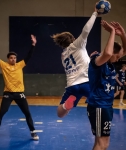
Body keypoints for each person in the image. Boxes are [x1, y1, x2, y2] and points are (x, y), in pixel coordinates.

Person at [51, 4, 99, 118]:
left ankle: (65, 106)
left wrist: (89, 58)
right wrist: (95, 13)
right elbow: (86, 30)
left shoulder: (63, 55)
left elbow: (79, 61)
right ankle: (92, 105)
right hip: (87, 82)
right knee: (100, 102)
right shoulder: (76, 45)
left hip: (72, 85)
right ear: (73, 39)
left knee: (60, 113)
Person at [0, 35, 39, 140]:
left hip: (20, 93)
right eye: (11, 58)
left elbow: (29, 56)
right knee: (2, 112)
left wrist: (33, 45)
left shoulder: (20, 65)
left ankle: (33, 132)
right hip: (8, 94)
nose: (13, 59)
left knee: (27, 113)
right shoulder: (3, 65)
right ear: (8, 59)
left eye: (15, 58)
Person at [87, 20, 126, 150]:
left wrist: (123, 34)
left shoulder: (110, 64)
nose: (119, 59)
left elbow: (123, 51)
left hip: (107, 106)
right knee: (100, 144)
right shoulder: (98, 60)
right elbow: (108, 53)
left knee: (105, 143)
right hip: (98, 106)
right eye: (118, 56)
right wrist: (112, 32)